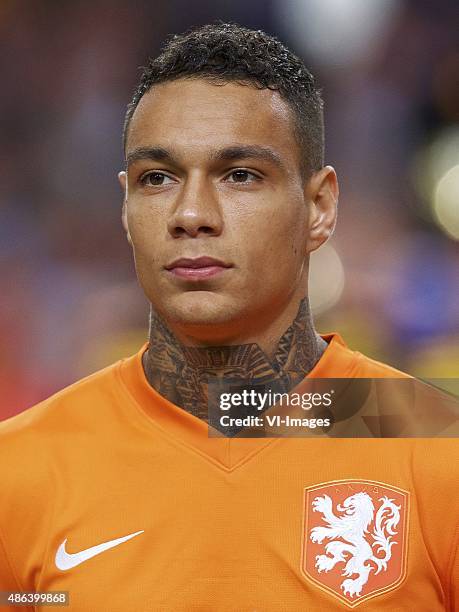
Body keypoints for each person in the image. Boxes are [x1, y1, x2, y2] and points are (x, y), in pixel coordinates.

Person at [0, 23, 457, 611]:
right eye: (157, 178)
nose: (192, 214)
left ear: (319, 207)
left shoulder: (437, 445)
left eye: (240, 175)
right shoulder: (20, 469)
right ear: (126, 207)